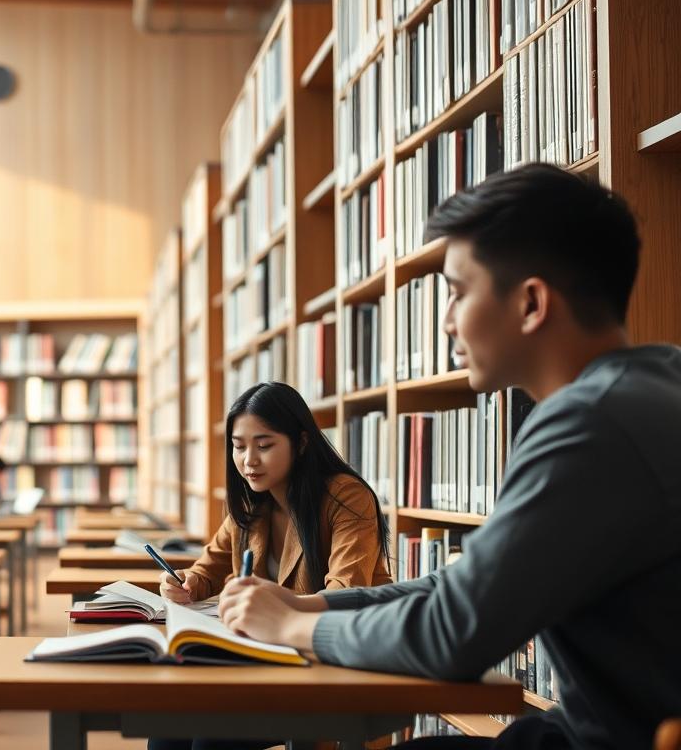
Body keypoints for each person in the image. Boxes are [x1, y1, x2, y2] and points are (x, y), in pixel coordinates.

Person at [217, 164, 681, 749]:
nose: (444, 323)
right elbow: (464, 587)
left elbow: (453, 634)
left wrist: (292, 626)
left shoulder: (588, 426)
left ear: (532, 303)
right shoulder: (653, 382)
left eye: (458, 293)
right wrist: (317, 602)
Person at [151, 381, 392, 750]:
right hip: (261, 666)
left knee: (209, 738)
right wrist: (185, 582)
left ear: (301, 442)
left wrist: (271, 605)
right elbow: (207, 569)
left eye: (264, 446)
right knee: (169, 722)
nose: (249, 460)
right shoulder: (252, 505)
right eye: (238, 446)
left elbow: (348, 592)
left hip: (331, 668)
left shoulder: (345, 497)